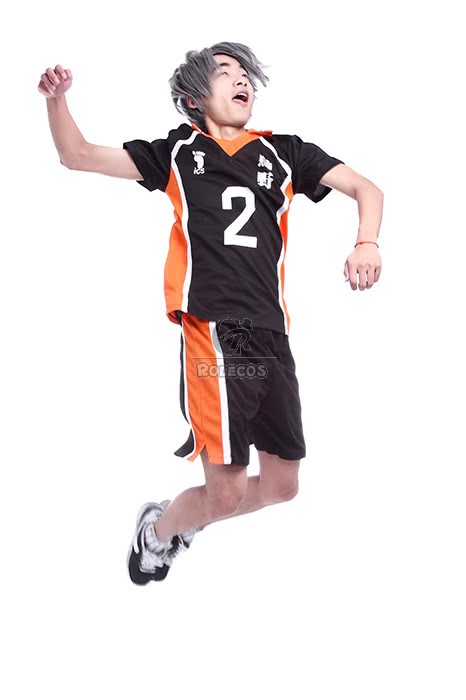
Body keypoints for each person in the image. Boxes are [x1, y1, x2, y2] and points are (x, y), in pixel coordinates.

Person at [38, 42, 383, 585]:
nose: (241, 79)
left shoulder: (283, 153)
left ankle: (185, 520)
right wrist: (57, 101)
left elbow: (366, 189)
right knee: (225, 491)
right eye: (225, 71)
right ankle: (157, 532)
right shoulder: (178, 153)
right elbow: (77, 154)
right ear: (194, 97)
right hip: (217, 331)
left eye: (245, 72)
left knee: (282, 486)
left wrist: (366, 242)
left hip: (271, 333)